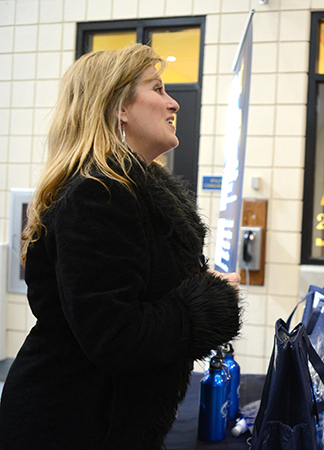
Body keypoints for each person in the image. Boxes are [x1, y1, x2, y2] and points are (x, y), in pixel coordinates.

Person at [0, 44, 242, 450]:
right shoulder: (98, 196)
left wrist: (198, 284)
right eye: (158, 88)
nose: (173, 103)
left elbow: (131, 291)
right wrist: (210, 301)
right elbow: (114, 335)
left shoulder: (125, 193)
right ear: (118, 107)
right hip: (71, 427)